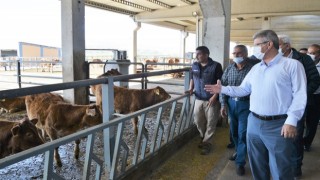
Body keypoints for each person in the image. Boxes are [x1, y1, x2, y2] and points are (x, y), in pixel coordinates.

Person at [204, 30, 307, 180]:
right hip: (254, 122)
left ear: (269, 44)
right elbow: (244, 89)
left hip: (278, 124)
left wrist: (292, 120)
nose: (254, 49)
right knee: (257, 163)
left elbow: (300, 95)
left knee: (281, 167)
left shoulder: (292, 65)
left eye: (257, 45)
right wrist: (223, 89)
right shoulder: (256, 68)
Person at [278, 35, 320, 178]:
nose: (274, 48)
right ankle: (282, 166)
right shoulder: (273, 60)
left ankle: (296, 168)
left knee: (295, 138)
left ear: (287, 46)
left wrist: (299, 95)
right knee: (280, 138)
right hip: (278, 107)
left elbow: (315, 80)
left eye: (278, 45)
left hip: (297, 106)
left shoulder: (303, 59)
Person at [220, 45, 257, 176]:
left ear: (246, 54)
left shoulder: (253, 69)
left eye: (239, 53)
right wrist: (223, 104)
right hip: (231, 104)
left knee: (243, 133)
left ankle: (240, 162)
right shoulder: (230, 68)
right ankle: (239, 151)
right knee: (234, 131)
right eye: (234, 53)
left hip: (246, 105)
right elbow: (222, 86)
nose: (236, 55)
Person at [188, 46, 223, 155]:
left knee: (211, 122)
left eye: (200, 54)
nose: (197, 56)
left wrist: (215, 96)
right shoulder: (194, 65)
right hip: (198, 98)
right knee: (198, 120)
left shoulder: (216, 66)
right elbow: (192, 78)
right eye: (196, 54)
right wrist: (190, 88)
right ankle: (203, 137)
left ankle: (207, 143)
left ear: (206, 54)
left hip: (211, 99)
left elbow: (220, 82)